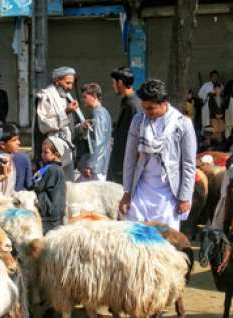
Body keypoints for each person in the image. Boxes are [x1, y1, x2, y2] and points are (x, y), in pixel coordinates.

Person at [118, 79, 197, 230]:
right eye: (145, 108)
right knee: (136, 238)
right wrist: (127, 192)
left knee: (165, 241)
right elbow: (129, 158)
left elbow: (188, 164)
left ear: (164, 102)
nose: (147, 112)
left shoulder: (182, 124)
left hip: (169, 194)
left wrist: (185, 197)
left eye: (151, 108)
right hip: (141, 190)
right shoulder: (138, 121)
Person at [34, 66, 83, 181]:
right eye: (67, 83)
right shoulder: (46, 96)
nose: (70, 87)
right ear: (57, 81)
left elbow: (69, 126)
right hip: (52, 152)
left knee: (69, 187)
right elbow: (43, 125)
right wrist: (65, 112)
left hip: (67, 151)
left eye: (72, 83)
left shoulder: (67, 97)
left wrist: (82, 127)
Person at [109, 67, 141, 183]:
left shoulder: (133, 104)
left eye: (114, 83)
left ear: (120, 83)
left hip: (126, 162)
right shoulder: (128, 101)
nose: (113, 86)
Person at [33, 137, 67, 234]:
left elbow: (38, 186)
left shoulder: (52, 169)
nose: (42, 155)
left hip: (49, 214)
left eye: (46, 152)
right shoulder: (52, 168)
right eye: (42, 152)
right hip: (53, 214)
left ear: (56, 154)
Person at [80, 83, 112, 181]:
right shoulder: (103, 112)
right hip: (100, 165)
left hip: (96, 168)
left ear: (94, 96)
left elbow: (99, 141)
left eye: (85, 97)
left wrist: (90, 165)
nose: (83, 100)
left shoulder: (98, 113)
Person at [0, 123, 32, 192]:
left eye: (18, 139)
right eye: (14, 140)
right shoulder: (23, 158)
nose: (19, 142)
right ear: (2, 144)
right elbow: (28, 184)